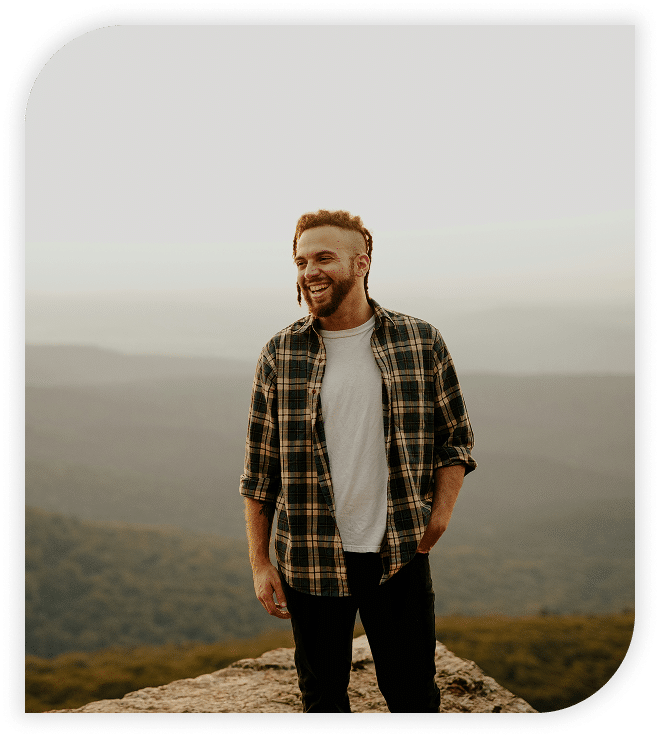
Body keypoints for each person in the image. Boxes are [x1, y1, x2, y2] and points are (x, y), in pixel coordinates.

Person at [240, 209, 476, 714]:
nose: (310, 272)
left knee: (413, 694)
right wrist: (261, 563)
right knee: (323, 701)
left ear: (362, 263)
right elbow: (260, 472)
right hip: (309, 559)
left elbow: (454, 437)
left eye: (324, 258)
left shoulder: (420, 341)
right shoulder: (279, 354)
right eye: (301, 261)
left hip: (400, 556)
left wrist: (440, 515)